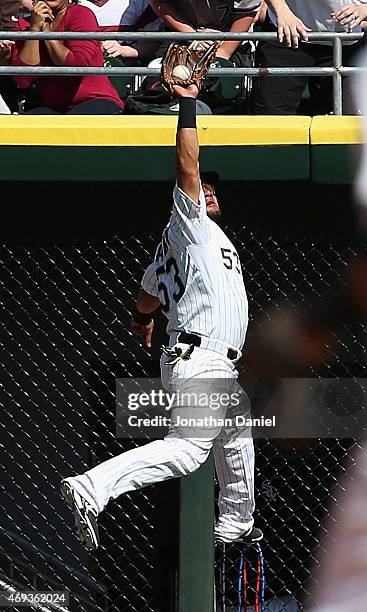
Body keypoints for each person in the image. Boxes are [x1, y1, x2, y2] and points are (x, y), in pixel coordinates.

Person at [60, 82, 262, 550]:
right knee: (189, 450)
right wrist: (189, 102)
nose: (205, 193)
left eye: (212, 191)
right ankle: (91, 487)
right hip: (202, 356)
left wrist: (140, 318)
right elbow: (187, 164)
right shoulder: (191, 227)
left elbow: (149, 294)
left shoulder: (183, 246)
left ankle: (236, 519)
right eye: (200, 190)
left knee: (236, 423)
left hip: (206, 359)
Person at [251, 0, 367, 115]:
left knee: (351, 120)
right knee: (272, 117)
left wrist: (363, 9)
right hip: (288, 35)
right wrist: (282, 11)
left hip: (350, 43)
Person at [10, 0, 125, 114]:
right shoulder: (24, 25)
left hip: (95, 100)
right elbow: (23, 79)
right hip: (53, 107)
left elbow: (76, 66)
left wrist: (46, 31)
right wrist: (34, 29)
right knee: (28, 126)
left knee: (69, 125)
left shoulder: (81, 14)